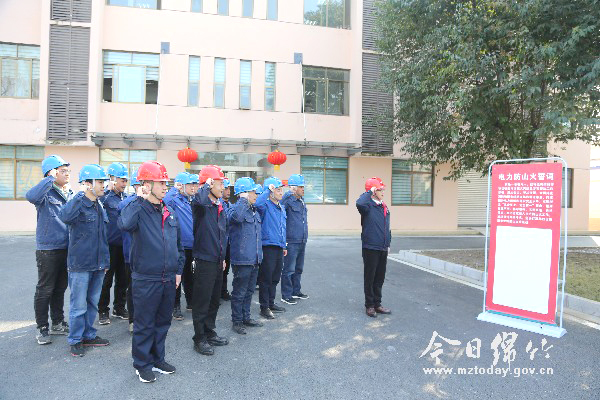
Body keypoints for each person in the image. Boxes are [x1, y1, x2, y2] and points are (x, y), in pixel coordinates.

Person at [118, 161, 184, 383]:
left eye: (166, 182)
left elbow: (178, 245)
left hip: (168, 277)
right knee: (145, 324)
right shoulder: (137, 209)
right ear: (146, 184)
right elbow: (124, 224)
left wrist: (178, 270)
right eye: (161, 182)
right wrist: (140, 199)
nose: (166, 186)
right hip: (146, 278)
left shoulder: (169, 210)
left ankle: (157, 359)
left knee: (163, 322)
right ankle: (142, 364)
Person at [58, 164, 111, 357]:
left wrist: (105, 262)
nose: (104, 185)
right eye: (100, 182)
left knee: (92, 303)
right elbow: (64, 216)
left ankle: (88, 335)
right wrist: (80, 195)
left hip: (98, 264)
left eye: (104, 182)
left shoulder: (99, 205)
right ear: (88, 184)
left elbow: (103, 237)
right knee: (78, 306)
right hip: (80, 265)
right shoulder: (78, 202)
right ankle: (75, 339)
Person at [26, 155, 73, 345]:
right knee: (45, 289)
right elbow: (31, 196)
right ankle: (42, 327)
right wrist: (49, 179)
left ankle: (58, 322)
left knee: (60, 288)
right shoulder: (45, 192)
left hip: (66, 247)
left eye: (68, 171)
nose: (67, 174)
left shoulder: (68, 192)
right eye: (63, 171)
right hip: (48, 248)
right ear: (52, 173)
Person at [190, 165, 229, 356]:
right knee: (202, 301)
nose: (223, 188)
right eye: (220, 183)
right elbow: (199, 199)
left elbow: (222, 235)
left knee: (214, 300)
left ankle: (209, 331)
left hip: (217, 260)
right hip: (204, 260)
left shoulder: (219, 206)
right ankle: (199, 338)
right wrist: (204, 185)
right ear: (210, 184)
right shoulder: (201, 206)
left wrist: (223, 258)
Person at [227, 177, 263, 335]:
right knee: (239, 292)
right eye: (253, 192)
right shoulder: (235, 209)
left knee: (249, 291)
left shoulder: (254, 211)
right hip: (242, 259)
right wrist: (242, 200)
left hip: (254, 258)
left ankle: (246, 317)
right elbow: (237, 218)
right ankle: (237, 321)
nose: (256, 194)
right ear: (244, 193)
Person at [98, 162, 129, 325]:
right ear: (112, 179)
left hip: (124, 245)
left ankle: (119, 307)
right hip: (109, 246)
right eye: (122, 180)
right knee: (106, 280)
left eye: (126, 180)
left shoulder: (127, 197)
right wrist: (106, 191)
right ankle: (103, 310)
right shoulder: (104, 197)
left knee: (123, 279)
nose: (124, 183)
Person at [356, 177, 392, 318]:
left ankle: (377, 304)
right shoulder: (367, 206)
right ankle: (369, 305)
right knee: (370, 277)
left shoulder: (383, 206)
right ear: (373, 191)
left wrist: (388, 244)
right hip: (370, 247)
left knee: (379, 278)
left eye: (382, 189)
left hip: (382, 247)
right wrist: (369, 192)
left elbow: (387, 228)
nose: (383, 192)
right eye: (380, 189)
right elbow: (359, 202)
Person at [164, 172, 197, 320]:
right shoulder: (174, 199)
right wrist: (174, 189)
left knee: (190, 276)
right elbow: (164, 200)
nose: (192, 187)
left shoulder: (192, 200)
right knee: (177, 276)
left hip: (192, 245)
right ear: (181, 185)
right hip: (179, 245)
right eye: (189, 185)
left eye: (193, 184)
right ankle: (175, 306)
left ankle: (191, 302)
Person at [255, 176, 287, 320]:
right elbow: (257, 203)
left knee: (275, 278)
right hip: (268, 247)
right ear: (271, 191)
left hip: (279, 246)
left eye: (281, 190)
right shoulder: (265, 205)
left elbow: (283, 227)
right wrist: (267, 190)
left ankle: (271, 303)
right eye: (278, 190)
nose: (281, 193)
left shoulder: (281, 207)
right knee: (266, 278)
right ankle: (264, 307)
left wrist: (284, 244)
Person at [119, 168, 142, 334]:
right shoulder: (127, 203)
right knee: (133, 289)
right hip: (131, 255)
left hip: (148, 255)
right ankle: (133, 320)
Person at [280, 174, 309, 305]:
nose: (303, 189)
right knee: (289, 269)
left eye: (303, 187)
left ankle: (296, 291)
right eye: (301, 187)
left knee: (298, 268)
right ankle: (286, 295)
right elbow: (280, 209)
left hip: (301, 239)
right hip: (291, 240)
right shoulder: (287, 200)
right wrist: (288, 193)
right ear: (293, 188)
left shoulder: (301, 201)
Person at [220, 178, 233, 301]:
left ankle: (223, 291)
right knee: (219, 269)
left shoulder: (230, 204)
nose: (228, 191)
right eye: (225, 188)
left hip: (229, 241)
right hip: (220, 241)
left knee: (226, 269)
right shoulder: (218, 204)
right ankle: (217, 292)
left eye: (229, 188)